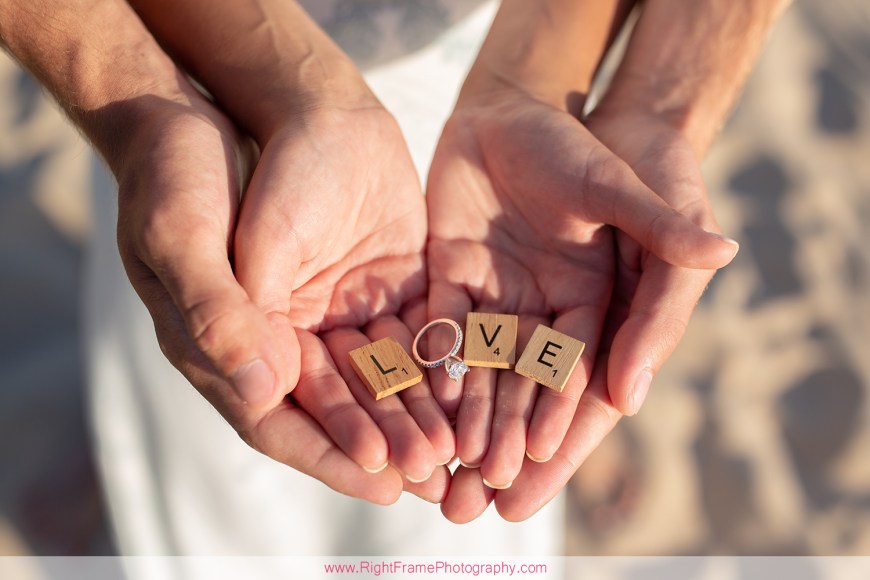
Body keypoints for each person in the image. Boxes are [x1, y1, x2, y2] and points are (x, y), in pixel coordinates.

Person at [0, 0, 789, 572]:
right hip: (190, 60)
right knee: (212, 349)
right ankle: (127, 467)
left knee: (477, 457)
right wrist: (138, 105)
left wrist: (629, 98)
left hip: (503, 60)